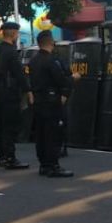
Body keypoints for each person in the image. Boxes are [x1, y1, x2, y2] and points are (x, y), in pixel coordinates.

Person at [29, 31, 74, 178]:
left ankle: (44, 165)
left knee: (41, 134)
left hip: (38, 101)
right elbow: (62, 80)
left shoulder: (33, 61)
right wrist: (74, 78)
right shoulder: (52, 61)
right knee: (54, 134)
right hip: (52, 101)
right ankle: (53, 165)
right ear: (51, 42)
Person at [0, 22, 30, 170]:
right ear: (13, 33)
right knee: (10, 127)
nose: (17, 35)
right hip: (10, 93)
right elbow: (19, 74)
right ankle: (10, 158)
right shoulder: (11, 51)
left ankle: (3, 156)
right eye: (17, 33)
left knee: (0, 126)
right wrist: (28, 90)